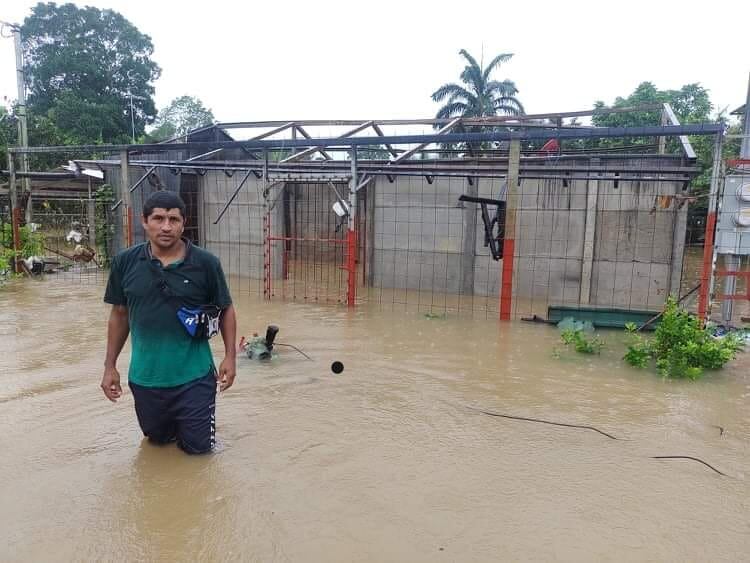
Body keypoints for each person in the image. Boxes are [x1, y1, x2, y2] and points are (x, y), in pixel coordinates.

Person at [101, 190, 237, 454]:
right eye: (158, 219)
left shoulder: (206, 263)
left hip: (195, 378)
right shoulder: (124, 262)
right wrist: (110, 366)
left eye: (174, 219)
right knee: (158, 444)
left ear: (183, 223)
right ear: (144, 221)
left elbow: (226, 309)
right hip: (145, 379)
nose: (166, 227)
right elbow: (119, 314)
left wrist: (230, 357)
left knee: (199, 453)